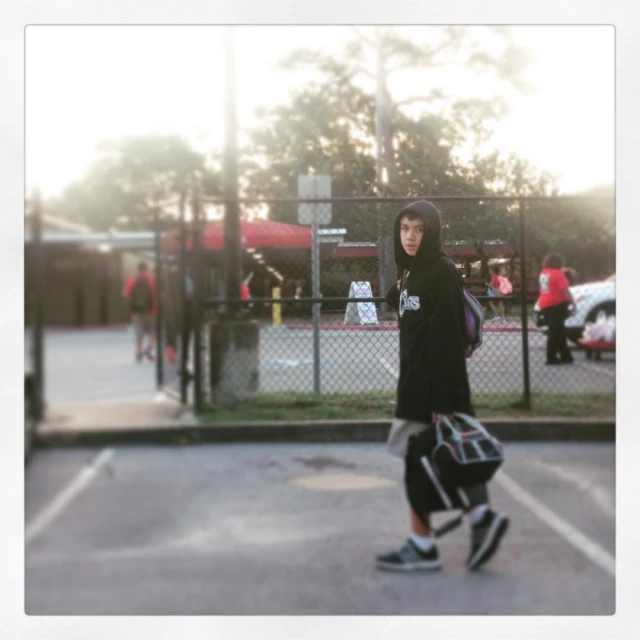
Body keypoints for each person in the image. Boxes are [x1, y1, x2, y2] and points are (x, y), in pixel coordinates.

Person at [377, 200, 509, 573]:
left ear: (431, 231)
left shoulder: (440, 272)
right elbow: (404, 305)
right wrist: (397, 288)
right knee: (448, 458)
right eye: (404, 229)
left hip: (433, 389)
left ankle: (422, 547)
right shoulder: (411, 272)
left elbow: (447, 342)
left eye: (419, 229)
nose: (411, 237)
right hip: (417, 384)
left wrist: (444, 400)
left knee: (419, 465)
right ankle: (481, 517)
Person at [539, 252, 576, 365]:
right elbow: (565, 291)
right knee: (556, 331)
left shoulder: (543, 273)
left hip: (545, 304)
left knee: (557, 330)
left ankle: (565, 355)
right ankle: (551, 357)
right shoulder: (558, 274)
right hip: (557, 304)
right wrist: (573, 303)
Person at [123, 261, 157, 363]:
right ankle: (149, 349)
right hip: (152, 310)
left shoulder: (132, 280)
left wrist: (134, 302)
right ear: (146, 269)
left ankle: (139, 351)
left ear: (138, 270)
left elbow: (125, 293)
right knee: (153, 331)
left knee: (139, 332)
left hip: (136, 312)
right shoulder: (152, 279)